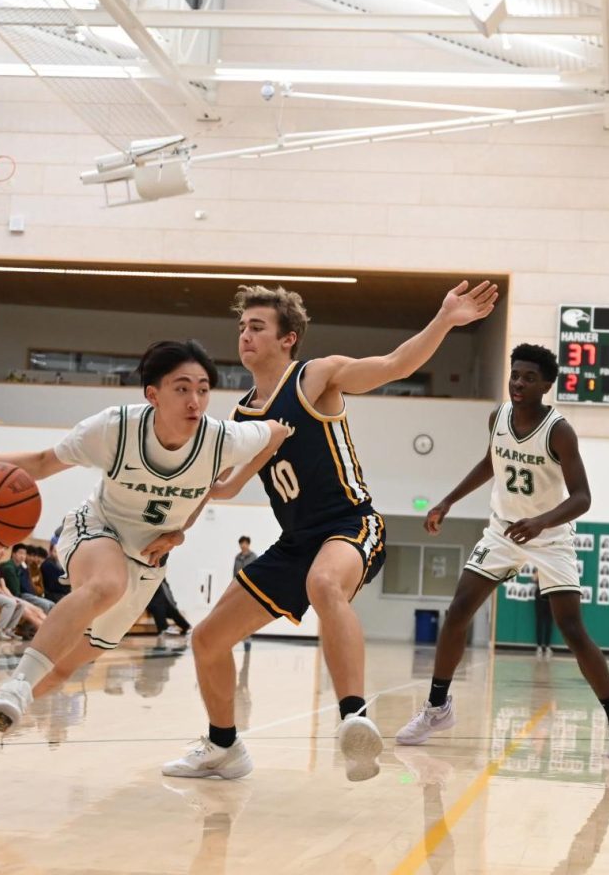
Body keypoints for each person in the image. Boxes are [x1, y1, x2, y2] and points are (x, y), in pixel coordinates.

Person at [162, 279, 496, 785]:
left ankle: (355, 719)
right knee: (208, 638)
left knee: (325, 584)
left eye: (257, 327)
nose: (245, 336)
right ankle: (223, 746)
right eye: (241, 328)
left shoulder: (316, 376)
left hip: (351, 524)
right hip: (295, 542)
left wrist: (444, 320)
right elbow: (226, 486)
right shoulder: (245, 414)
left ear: (288, 337)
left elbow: (394, 366)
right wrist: (175, 528)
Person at [0, 340, 289, 774]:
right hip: (97, 529)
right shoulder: (114, 428)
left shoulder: (222, 438)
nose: (195, 400)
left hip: (145, 563)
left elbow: (276, 432)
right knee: (106, 583)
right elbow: (44, 461)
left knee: (64, 668)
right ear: (153, 394)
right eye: (182, 388)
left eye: (203, 389)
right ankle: (13, 690)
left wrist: (214, 501)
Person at [395, 344, 609, 759]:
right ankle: (437, 706)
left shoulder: (559, 431)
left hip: (550, 536)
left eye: (528, 378)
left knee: (572, 630)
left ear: (546, 385)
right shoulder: (499, 417)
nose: (518, 383)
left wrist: (542, 521)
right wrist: (448, 501)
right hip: (503, 532)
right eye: (515, 375)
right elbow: (492, 462)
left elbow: (582, 497)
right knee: (457, 612)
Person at [532, 570, 554, 659]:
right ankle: (539, 646)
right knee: (539, 621)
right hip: (540, 595)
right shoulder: (538, 566)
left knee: (549, 621)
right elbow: (533, 578)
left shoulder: (553, 567)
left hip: (550, 595)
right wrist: (540, 569)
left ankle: (548, 646)